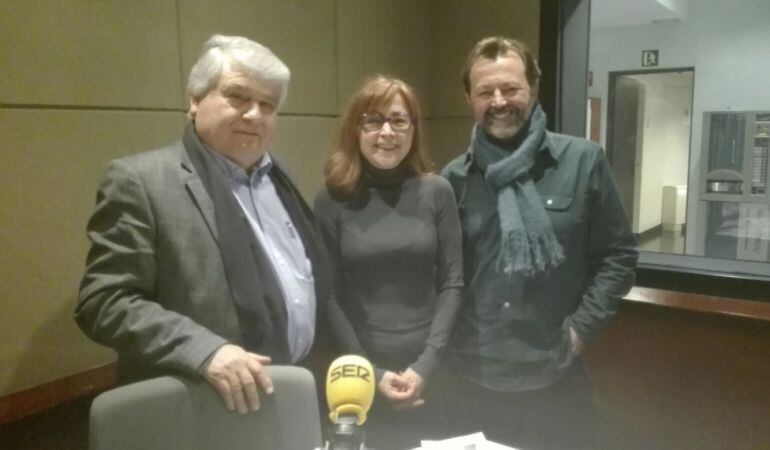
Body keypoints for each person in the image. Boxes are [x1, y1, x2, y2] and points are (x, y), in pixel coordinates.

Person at [76, 34, 340, 415]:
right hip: (203, 404)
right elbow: (103, 301)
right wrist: (204, 351)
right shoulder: (140, 181)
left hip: (292, 389)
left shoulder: (279, 175)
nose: (254, 114)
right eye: (237, 96)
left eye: (267, 104)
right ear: (194, 100)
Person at [441, 36, 639, 449]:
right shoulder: (452, 180)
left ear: (533, 88)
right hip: (473, 378)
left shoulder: (583, 161)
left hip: (557, 376)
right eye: (485, 92)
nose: (499, 101)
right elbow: (443, 274)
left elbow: (618, 256)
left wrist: (580, 329)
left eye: (510, 88)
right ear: (469, 98)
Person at [314, 75, 464, 449]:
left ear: (413, 129)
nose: (387, 132)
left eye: (398, 120)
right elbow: (328, 295)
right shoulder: (332, 199)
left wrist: (425, 365)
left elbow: (452, 282)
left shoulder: (438, 191)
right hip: (359, 377)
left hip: (434, 370)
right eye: (373, 120)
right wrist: (371, 372)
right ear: (355, 128)